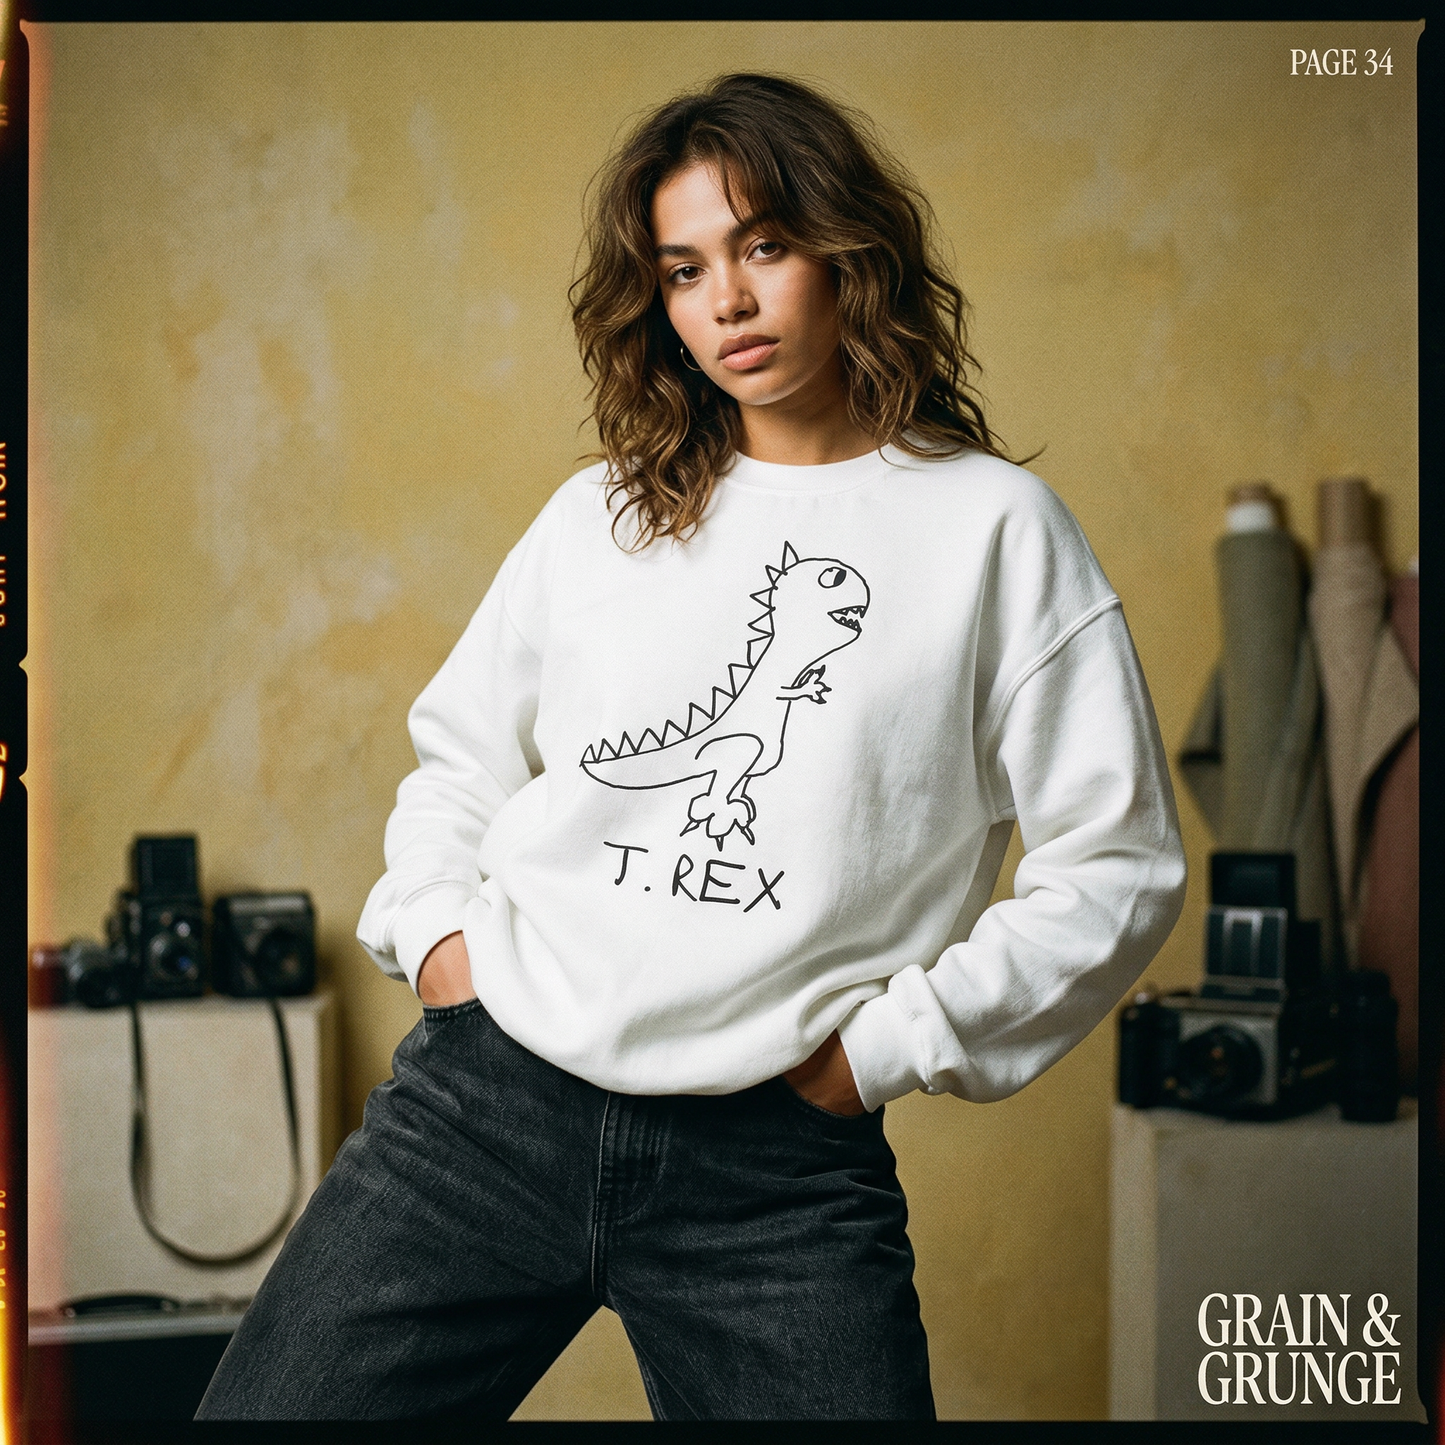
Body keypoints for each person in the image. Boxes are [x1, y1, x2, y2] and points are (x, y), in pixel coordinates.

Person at [198, 72, 1186, 1422]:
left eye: (764, 246)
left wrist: (887, 1051)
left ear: (848, 251)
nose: (726, 301)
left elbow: (1117, 864)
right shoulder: (600, 514)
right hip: (492, 1106)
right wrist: (438, 940)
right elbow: (460, 757)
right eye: (683, 269)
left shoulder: (996, 531)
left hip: (774, 1169)